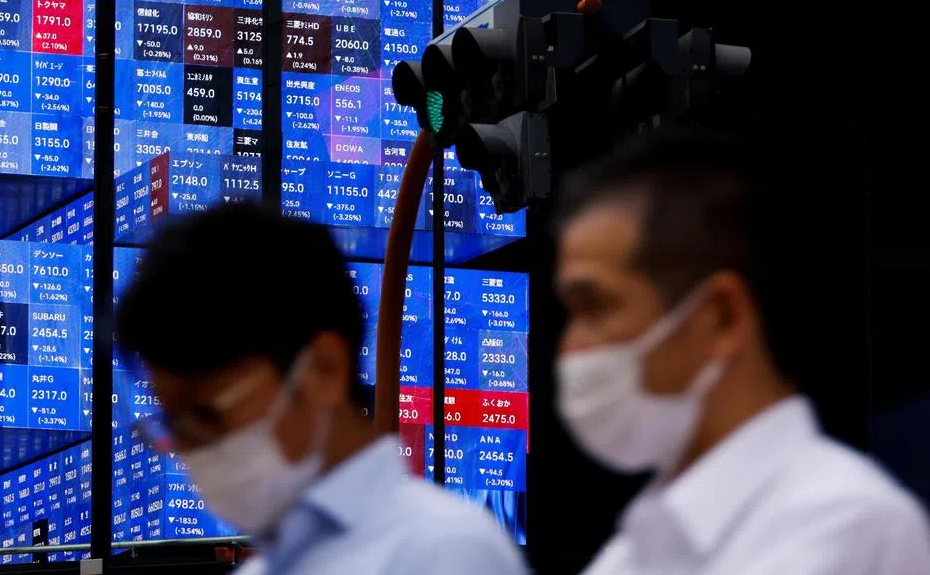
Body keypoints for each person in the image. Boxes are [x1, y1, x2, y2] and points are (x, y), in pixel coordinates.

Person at [553, 128, 930, 574]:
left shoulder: (848, 527)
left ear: (721, 317)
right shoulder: (630, 551)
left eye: (596, 308)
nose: (572, 347)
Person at [116, 203, 528, 575]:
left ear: (323, 371)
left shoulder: (446, 552)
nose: (193, 452)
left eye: (209, 414)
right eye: (172, 425)